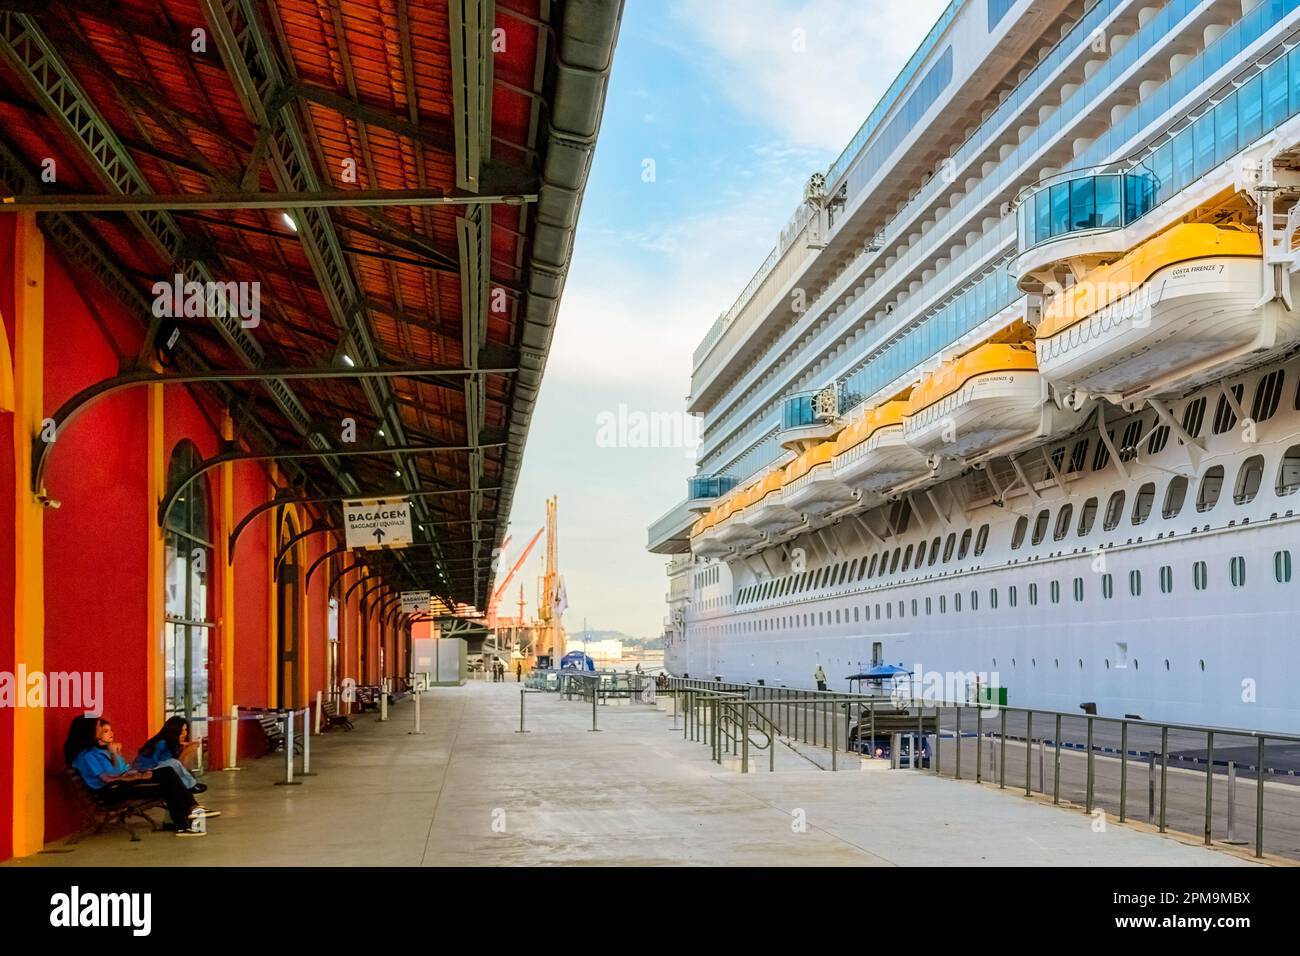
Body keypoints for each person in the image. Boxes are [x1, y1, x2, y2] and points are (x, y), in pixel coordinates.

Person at [64, 715, 213, 836]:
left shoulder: (97, 751)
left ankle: (184, 819)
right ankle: (188, 813)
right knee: (168, 781)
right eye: (98, 726)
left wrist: (118, 758)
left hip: (118, 786)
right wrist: (135, 777)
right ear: (88, 730)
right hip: (111, 792)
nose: (100, 728)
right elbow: (106, 779)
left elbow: (115, 773)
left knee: (167, 774)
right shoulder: (87, 756)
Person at [135, 715, 205, 794]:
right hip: (149, 769)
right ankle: (190, 786)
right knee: (173, 763)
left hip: (155, 766)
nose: (185, 733)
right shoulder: (162, 743)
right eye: (181, 731)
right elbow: (163, 760)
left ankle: (189, 784)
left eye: (185, 730)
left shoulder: (168, 742)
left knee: (174, 764)